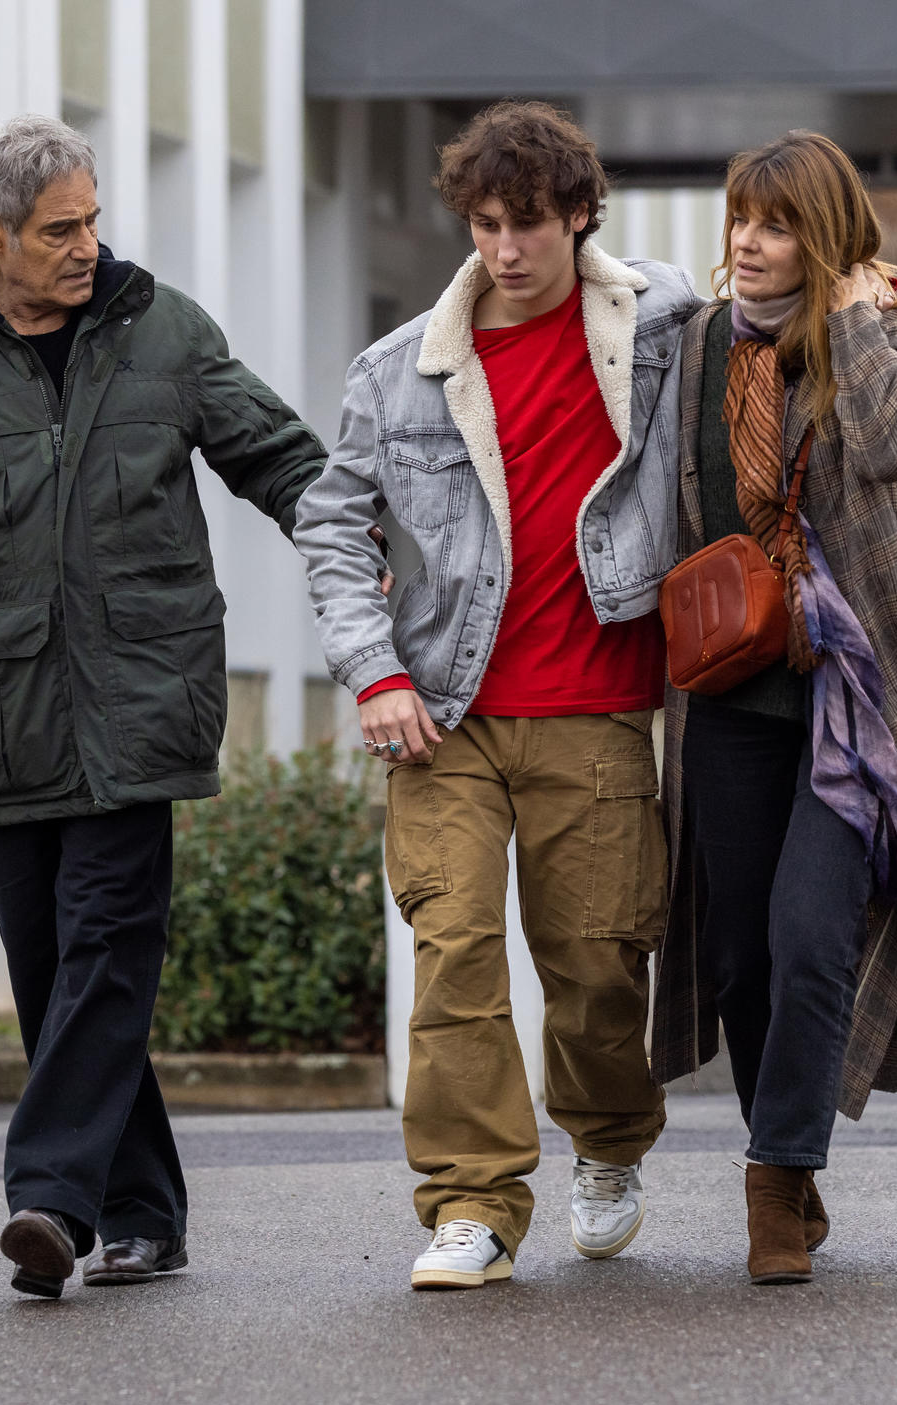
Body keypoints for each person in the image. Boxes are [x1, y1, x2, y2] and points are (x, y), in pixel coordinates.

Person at [0, 116, 327, 1299]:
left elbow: (278, 457)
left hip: (145, 698)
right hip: (3, 714)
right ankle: (143, 1212)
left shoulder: (164, 333)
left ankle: (47, 1196)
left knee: (106, 946)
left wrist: (355, 547)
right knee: (54, 976)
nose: (89, 244)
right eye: (61, 229)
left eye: (94, 219)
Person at [295, 101, 701, 1291]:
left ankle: (610, 1144)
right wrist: (371, 671)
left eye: (529, 224)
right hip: (443, 714)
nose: (505, 250)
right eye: (484, 225)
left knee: (594, 969)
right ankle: (470, 1202)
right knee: (454, 954)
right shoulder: (400, 366)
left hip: (597, 709)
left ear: (579, 214)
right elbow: (332, 527)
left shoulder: (663, 324)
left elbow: (770, 324)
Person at [647, 130, 897, 1285]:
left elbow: (896, 445)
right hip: (730, 691)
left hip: (854, 693)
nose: (746, 243)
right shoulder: (698, 347)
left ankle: (769, 1176)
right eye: (739, 219)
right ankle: (787, 1164)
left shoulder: (889, 333)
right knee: (741, 955)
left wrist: (848, 315)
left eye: (777, 223)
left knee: (811, 935)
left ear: (827, 237)